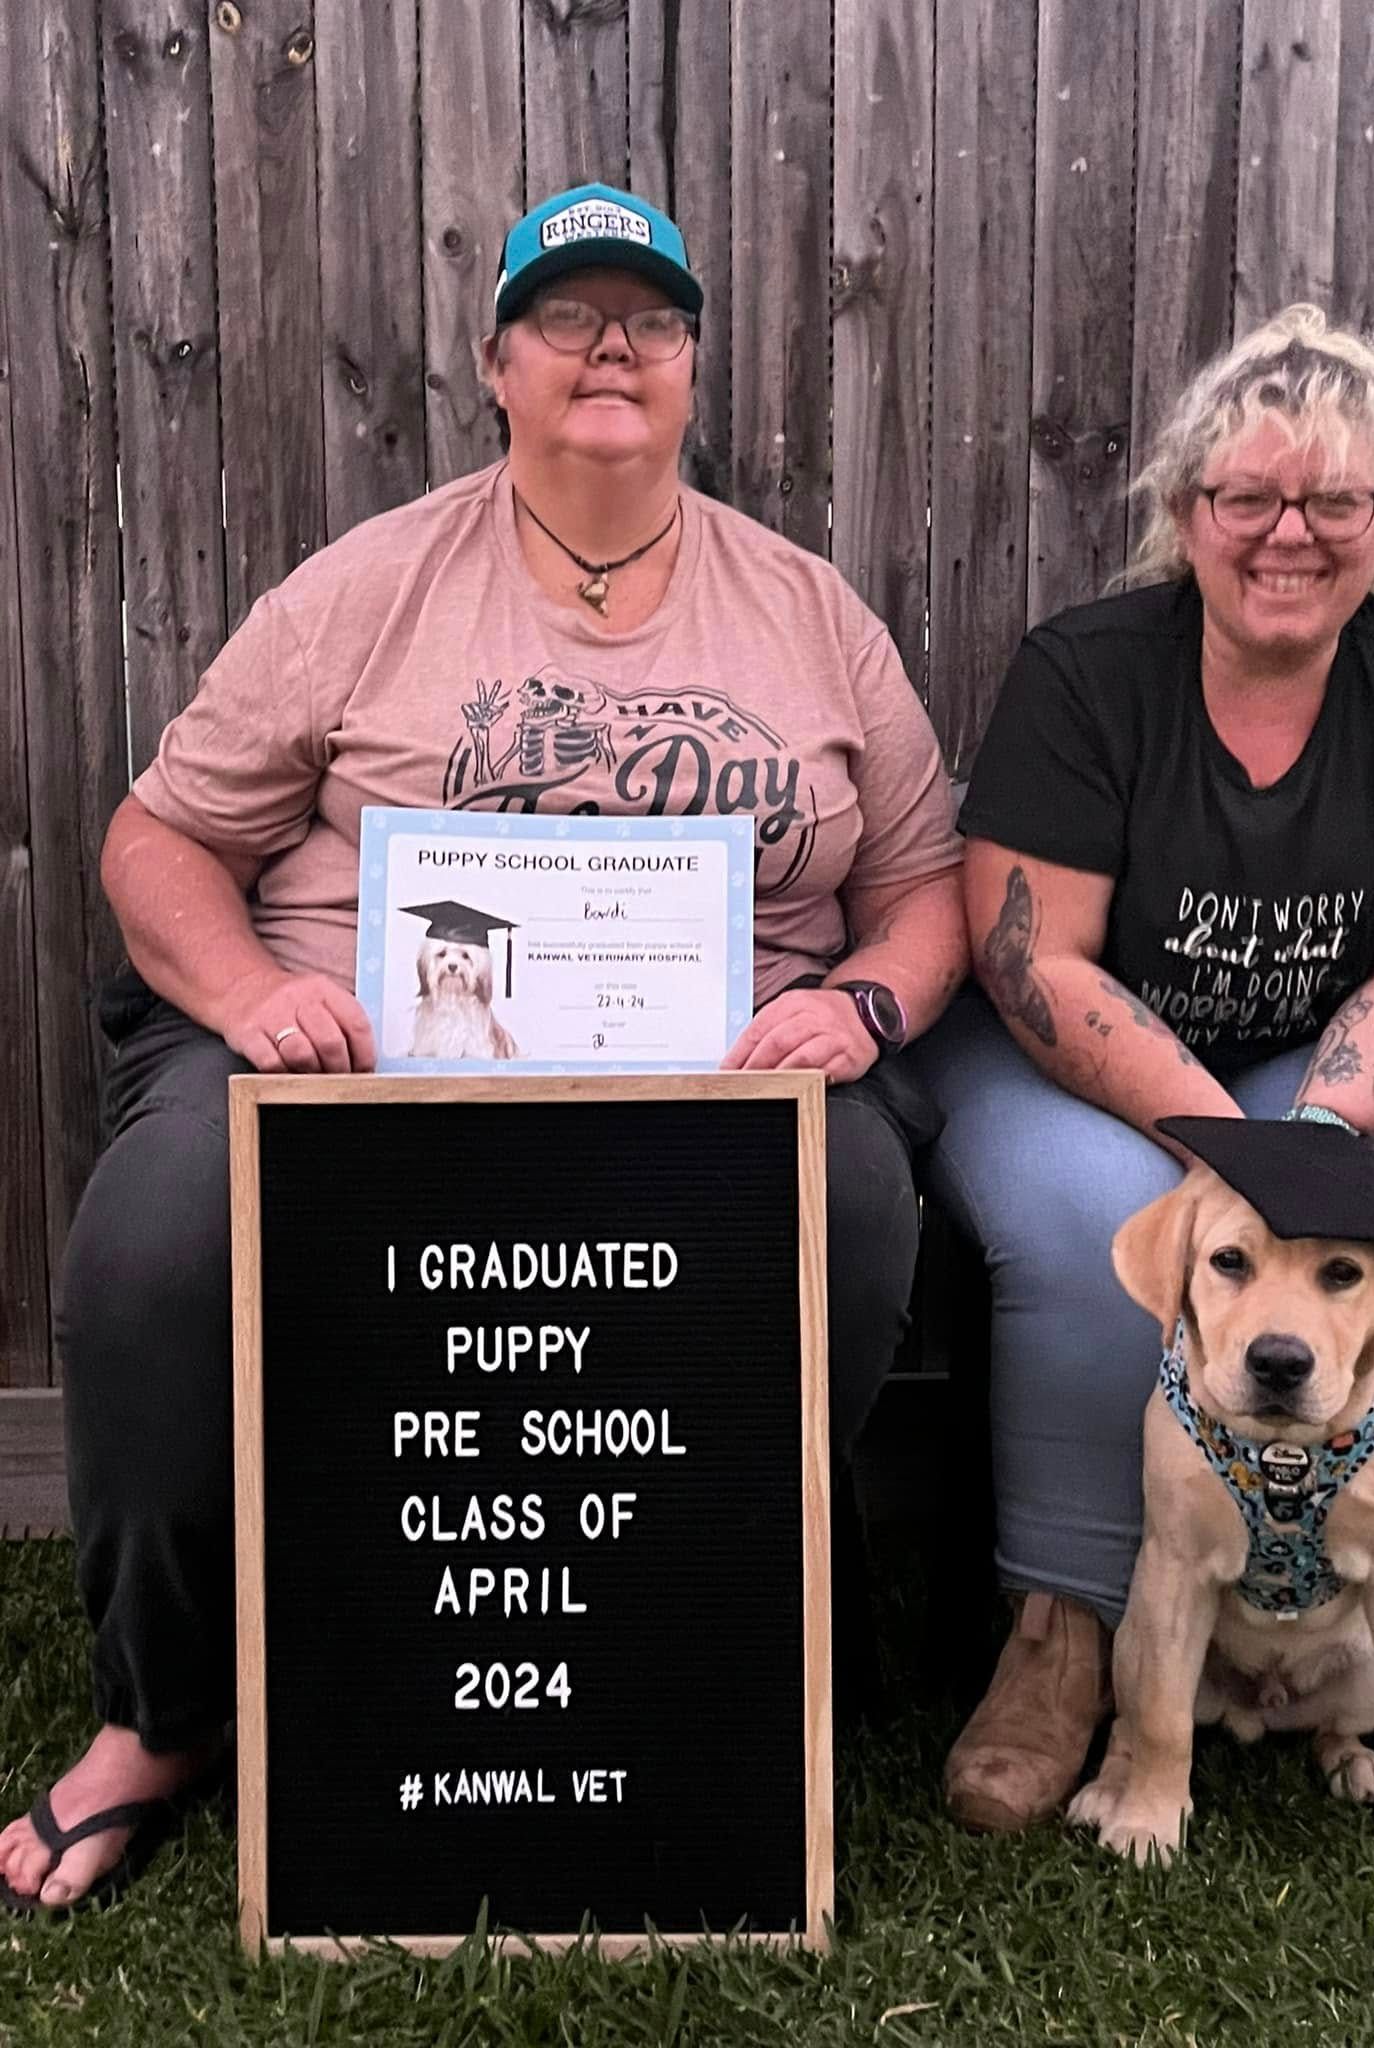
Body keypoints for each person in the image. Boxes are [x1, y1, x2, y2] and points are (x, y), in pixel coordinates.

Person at [0, 182, 965, 1911]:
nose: (614, 347)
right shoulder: (362, 593)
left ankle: (711, 1667)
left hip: (715, 1070)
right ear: (496, 364)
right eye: (570, 317)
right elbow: (154, 843)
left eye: (651, 321)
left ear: (692, 372)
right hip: (351, 1051)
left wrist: (866, 1005)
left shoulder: (812, 616)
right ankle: (161, 1716)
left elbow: (922, 889)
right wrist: (246, 1004)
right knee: (158, 1253)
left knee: (857, 1207)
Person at [908, 302, 1374, 1832]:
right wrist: (1217, 1145)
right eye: (1247, 497)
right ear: (1185, 509)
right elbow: (1027, 952)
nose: (1288, 535)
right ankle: (1065, 1624)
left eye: (1335, 501)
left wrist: (1314, 1137)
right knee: (1087, 1226)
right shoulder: (1086, 672)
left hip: (1328, 1063)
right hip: (1079, 1057)